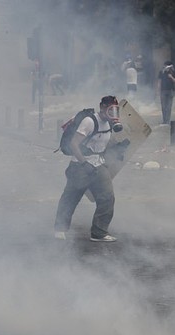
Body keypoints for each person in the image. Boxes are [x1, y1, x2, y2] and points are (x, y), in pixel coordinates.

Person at [54, 96, 123, 242]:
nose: (112, 113)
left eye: (115, 109)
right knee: (71, 197)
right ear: (102, 107)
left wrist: (118, 150)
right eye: (110, 109)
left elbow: (103, 143)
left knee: (107, 198)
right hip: (80, 166)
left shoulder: (110, 123)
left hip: (98, 165)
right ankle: (60, 228)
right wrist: (84, 163)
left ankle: (99, 232)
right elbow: (74, 144)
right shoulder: (90, 121)